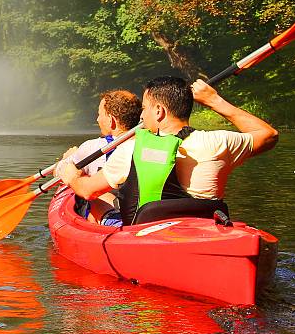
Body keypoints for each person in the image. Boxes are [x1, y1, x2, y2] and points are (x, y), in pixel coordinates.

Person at [55, 76, 278, 226]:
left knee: (96, 198)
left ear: (159, 111)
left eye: (144, 109)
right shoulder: (219, 142)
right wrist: (214, 101)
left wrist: (72, 175)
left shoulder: (132, 148)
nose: (141, 117)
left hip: (145, 236)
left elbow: (86, 191)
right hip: (205, 229)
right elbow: (268, 135)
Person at [68, 89, 142, 224]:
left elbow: (61, 173)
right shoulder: (148, 143)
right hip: (141, 213)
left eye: (99, 114)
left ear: (111, 120)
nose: (97, 119)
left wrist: (67, 161)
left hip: (116, 220)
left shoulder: (91, 147)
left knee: (94, 199)